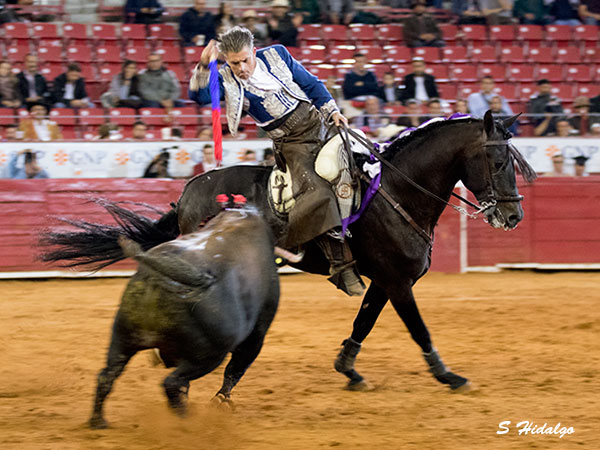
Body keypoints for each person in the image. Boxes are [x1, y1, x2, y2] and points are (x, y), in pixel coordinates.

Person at [189, 26, 365, 296]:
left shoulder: (278, 55)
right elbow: (199, 97)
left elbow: (311, 84)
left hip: (319, 124)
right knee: (315, 191)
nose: (241, 68)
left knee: (366, 162)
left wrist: (333, 110)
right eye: (234, 63)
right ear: (227, 60)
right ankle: (341, 264)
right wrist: (204, 65)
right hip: (292, 145)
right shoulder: (224, 77)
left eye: (245, 60)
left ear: (254, 52)